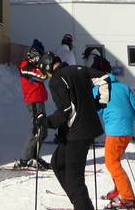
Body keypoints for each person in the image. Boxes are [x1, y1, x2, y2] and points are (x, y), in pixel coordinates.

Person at [38, 52, 109, 210]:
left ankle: (82, 205)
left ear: (48, 67)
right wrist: (101, 102)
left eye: (45, 72)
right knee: (58, 163)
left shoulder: (57, 80)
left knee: (74, 179)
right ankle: (80, 202)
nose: (47, 76)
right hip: (84, 129)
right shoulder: (79, 69)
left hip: (77, 133)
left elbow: (66, 111)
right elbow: (104, 78)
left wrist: (45, 122)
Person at [101, 67, 135, 208]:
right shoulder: (124, 87)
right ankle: (118, 190)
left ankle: (128, 197)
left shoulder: (100, 89)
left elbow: (97, 109)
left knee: (112, 163)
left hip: (115, 131)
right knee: (115, 161)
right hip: (127, 131)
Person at [15, 44, 51, 170]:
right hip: (34, 101)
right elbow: (41, 76)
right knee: (36, 129)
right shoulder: (25, 66)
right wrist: (46, 68)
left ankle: (34, 156)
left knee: (43, 130)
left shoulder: (32, 65)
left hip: (39, 101)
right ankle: (25, 159)